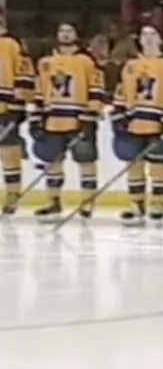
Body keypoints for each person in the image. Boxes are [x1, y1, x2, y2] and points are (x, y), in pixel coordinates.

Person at [31, 22, 106, 221]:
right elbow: (40, 92)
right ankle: (53, 201)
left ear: (77, 34)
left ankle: (87, 202)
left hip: (79, 119)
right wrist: (36, 118)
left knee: (86, 161)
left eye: (69, 31)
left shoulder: (87, 60)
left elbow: (97, 89)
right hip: (53, 119)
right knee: (53, 162)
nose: (64, 35)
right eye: (61, 31)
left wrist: (89, 117)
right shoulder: (45, 61)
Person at [111, 24, 163, 225]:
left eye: (153, 34)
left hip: (158, 122)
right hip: (135, 122)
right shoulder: (130, 65)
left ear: (161, 40)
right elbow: (121, 94)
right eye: (144, 34)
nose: (148, 38)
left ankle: (158, 205)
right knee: (134, 164)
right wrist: (119, 118)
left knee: (159, 166)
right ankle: (137, 205)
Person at [0, 8, 36, 215]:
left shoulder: (13, 45)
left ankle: (12, 194)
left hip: (5, 108)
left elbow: (24, 74)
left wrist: (18, 107)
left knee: (8, 153)